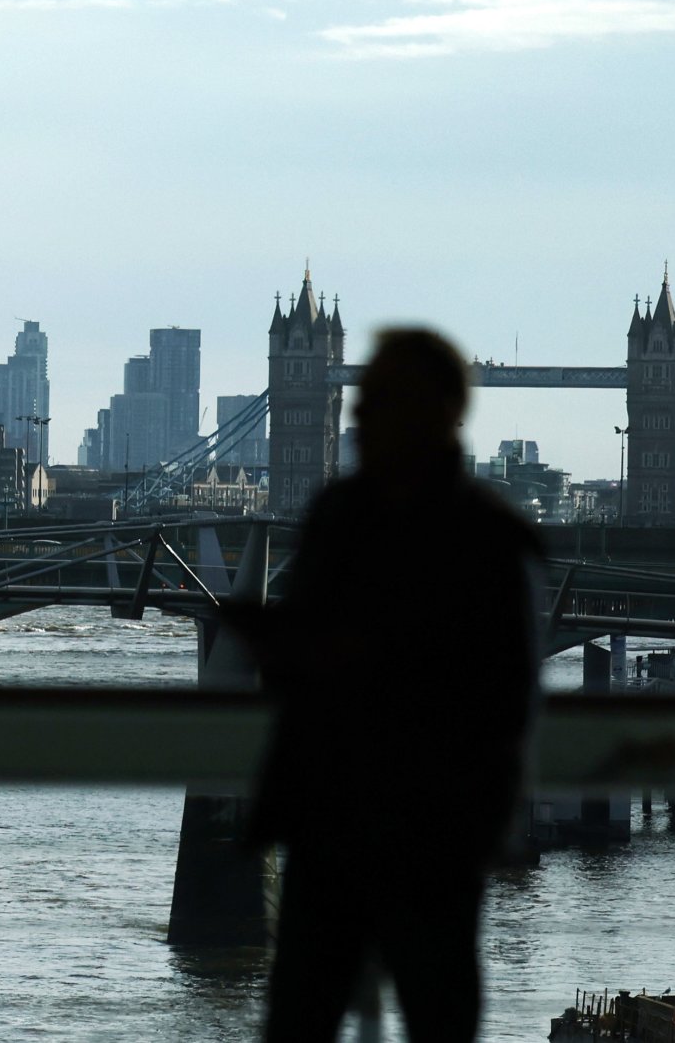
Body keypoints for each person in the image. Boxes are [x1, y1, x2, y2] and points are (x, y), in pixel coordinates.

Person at [228, 327, 542, 1043]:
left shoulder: (491, 543)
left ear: (438, 410)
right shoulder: (334, 515)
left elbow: (497, 699)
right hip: (330, 832)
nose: (355, 417)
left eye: (378, 401)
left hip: (430, 842)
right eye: (358, 401)